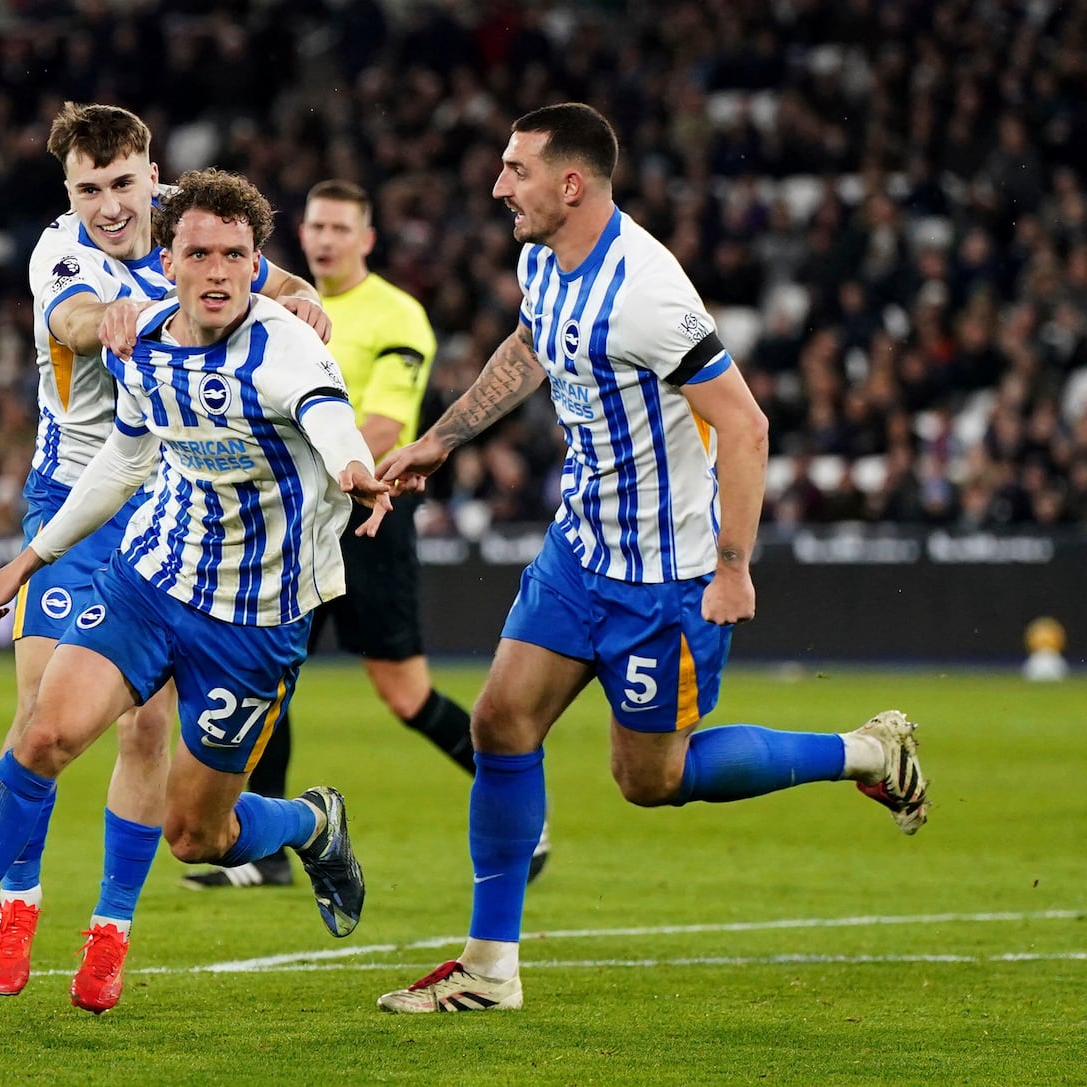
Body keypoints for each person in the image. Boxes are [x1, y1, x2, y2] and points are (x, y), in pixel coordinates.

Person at [372, 104, 929, 1014]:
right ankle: (489, 968)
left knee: (650, 781)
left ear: (572, 182)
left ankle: (865, 751)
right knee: (500, 723)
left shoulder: (649, 294)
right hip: (578, 551)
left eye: (516, 170)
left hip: (664, 584)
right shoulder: (541, 260)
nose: (498, 185)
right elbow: (531, 347)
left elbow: (745, 425)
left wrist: (735, 565)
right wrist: (445, 436)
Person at [0, 167, 385, 1020]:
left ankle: (307, 823)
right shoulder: (143, 336)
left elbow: (331, 418)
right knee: (44, 731)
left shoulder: (289, 347)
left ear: (258, 265)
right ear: (169, 260)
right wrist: (26, 562)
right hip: (151, 583)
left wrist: (357, 470)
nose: (218, 272)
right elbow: (125, 458)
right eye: (199, 254)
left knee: (200, 834)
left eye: (236, 256)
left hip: (253, 623)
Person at [181, 180, 550, 890]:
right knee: (262, 679)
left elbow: (380, 429)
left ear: (367, 239)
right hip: (286, 523)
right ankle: (261, 853)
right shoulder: (271, 310)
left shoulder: (396, 315)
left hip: (366, 517)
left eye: (341, 229)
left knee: (405, 692)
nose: (324, 239)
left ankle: (523, 807)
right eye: (315, 226)